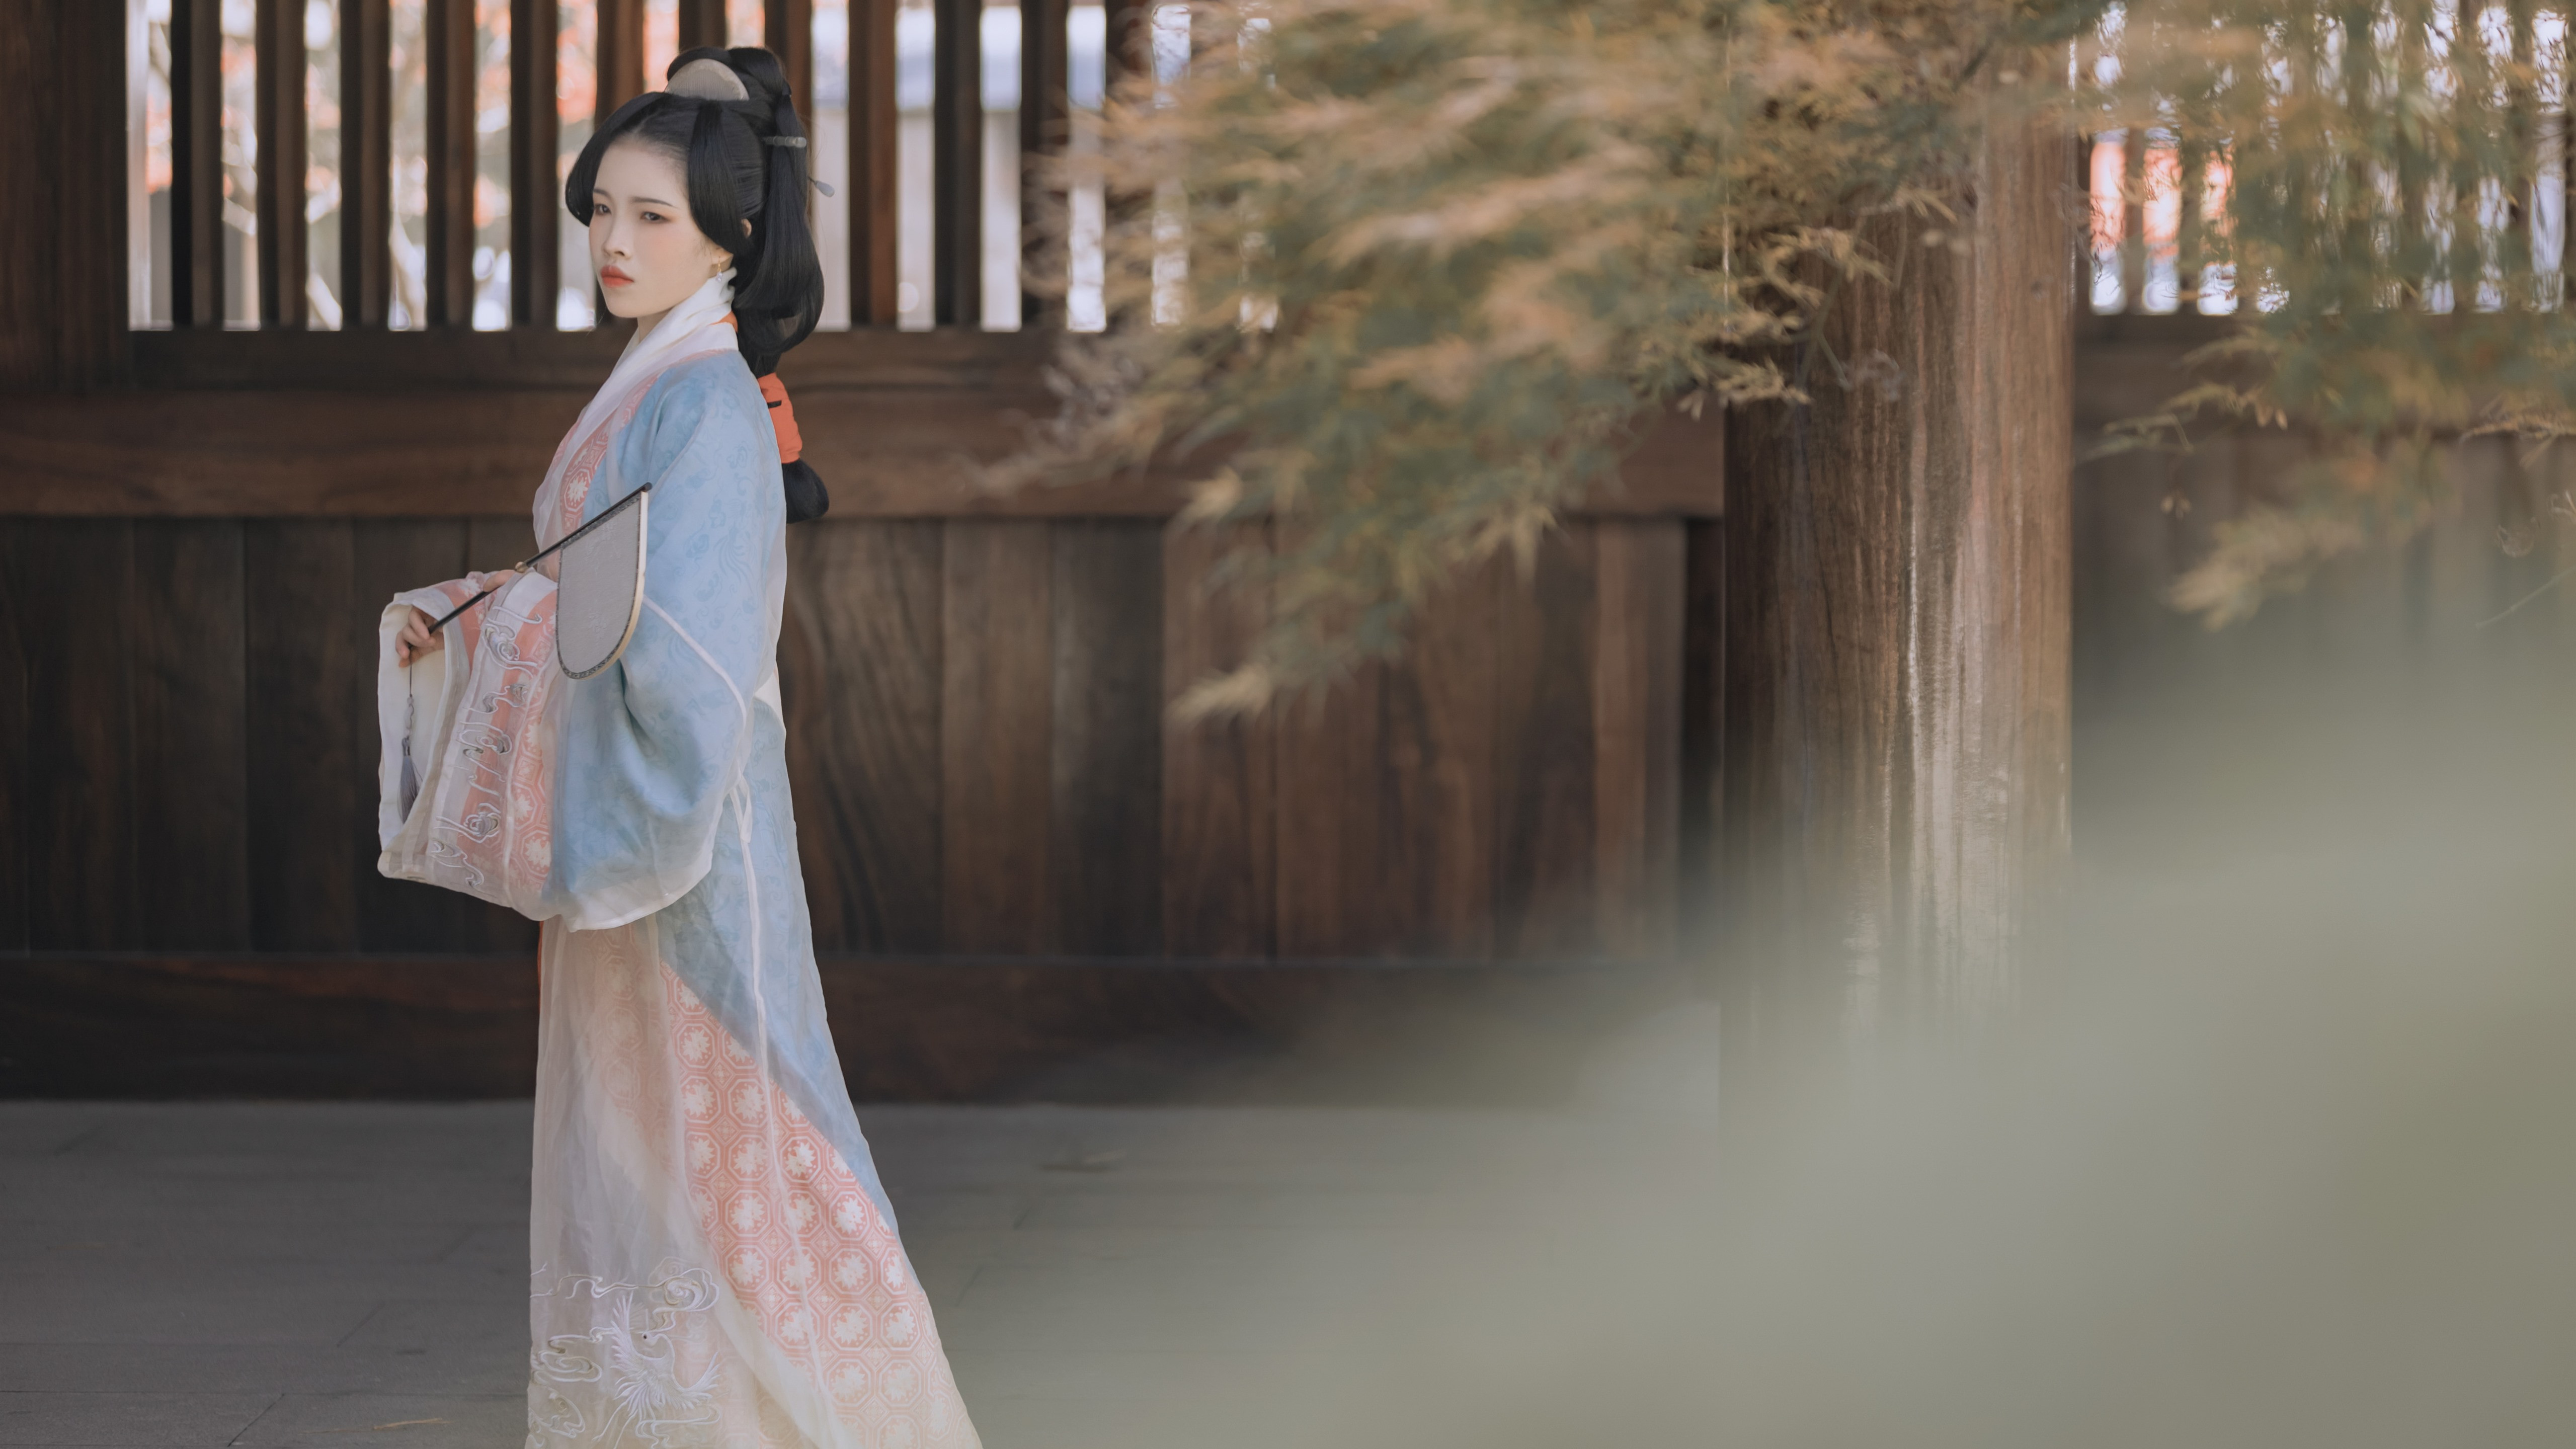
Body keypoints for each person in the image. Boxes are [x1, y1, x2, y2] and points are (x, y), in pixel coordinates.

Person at [374, 46, 978, 1447]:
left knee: (747, 1143)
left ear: (734, 228)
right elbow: (592, 588)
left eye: (652, 216)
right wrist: (464, 625)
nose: (616, 243)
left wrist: (518, 654)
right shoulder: (671, 377)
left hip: (679, 827)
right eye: (604, 212)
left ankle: (844, 1415)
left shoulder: (702, 397)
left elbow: (686, 659)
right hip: (635, 814)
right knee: (649, 1149)